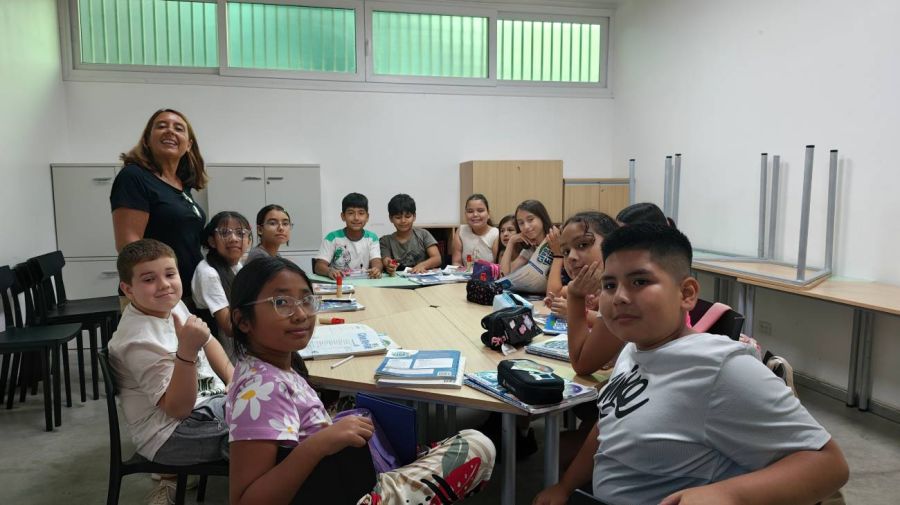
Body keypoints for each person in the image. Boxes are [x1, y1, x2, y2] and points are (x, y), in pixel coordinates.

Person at [533, 223, 849, 505]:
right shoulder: (634, 349)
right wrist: (565, 486)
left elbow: (830, 465)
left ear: (686, 293)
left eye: (640, 281)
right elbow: (609, 425)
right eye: (610, 285)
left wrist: (730, 494)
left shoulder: (722, 367)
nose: (619, 297)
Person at [225, 257, 496, 504]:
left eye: (306, 299)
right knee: (477, 445)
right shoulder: (263, 387)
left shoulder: (267, 368)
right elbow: (246, 500)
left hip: (337, 476)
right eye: (281, 302)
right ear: (243, 320)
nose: (301, 314)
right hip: (350, 494)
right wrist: (318, 445)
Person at [108, 239, 233, 505]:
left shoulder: (169, 304)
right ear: (128, 289)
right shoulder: (138, 341)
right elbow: (177, 409)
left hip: (208, 404)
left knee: (271, 400)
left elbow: (209, 340)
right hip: (171, 435)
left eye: (170, 274)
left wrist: (236, 381)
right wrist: (186, 351)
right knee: (265, 429)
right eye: (149, 279)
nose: (164, 285)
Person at [110, 109, 208, 306]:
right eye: (161, 126)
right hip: (157, 295)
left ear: (188, 145)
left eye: (178, 128)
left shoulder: (182, 185)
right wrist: (161, 291)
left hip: (188, 291)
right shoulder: (134, 177)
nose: (170, 131)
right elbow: (129, 246)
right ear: (147, 140)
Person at [192, 211, 252, 344]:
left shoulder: (236, 265)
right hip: (221, 350)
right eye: (225, 233)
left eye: (240, 233)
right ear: (212, 241)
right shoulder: (208, 273)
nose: (234, 238)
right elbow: (230, 329)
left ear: (249, 241)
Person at [314, 193, 383, 279]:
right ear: (343, 216)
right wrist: (329, 271)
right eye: (351, 213)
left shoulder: (372, 238)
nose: (356, 218)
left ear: (367, 217)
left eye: (361, 213)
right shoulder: (332, 237)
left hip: (365, 283)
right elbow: (319, 266)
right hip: (339, 283)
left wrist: (376, 269)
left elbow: (376, 261)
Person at [499, 200, 556, 294]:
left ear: (542, 218)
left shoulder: (555, 239)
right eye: (521, 223)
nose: (526, 227)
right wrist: (511, 242)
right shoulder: (530, 248)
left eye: (530, 220)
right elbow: (504, 275)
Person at [379, 194, 442, 275]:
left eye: (408, 216)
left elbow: (437, 258)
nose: (403, 221)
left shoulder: (423, 234)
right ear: (391, 218)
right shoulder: (385, 240)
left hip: (423, 279)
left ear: (414, 216)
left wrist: (422, 265)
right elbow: (386, 260)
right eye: (398, 217)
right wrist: (389, 264)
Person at [451, 194, 499, 268]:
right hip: (465, 278)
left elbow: (498, 266)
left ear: (488, 213)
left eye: (480, 210)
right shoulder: (461, 230)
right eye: (470, 211)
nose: (475, 214)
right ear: (465, 214)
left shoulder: (496, 234)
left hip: (489, 278)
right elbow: (456, 262)